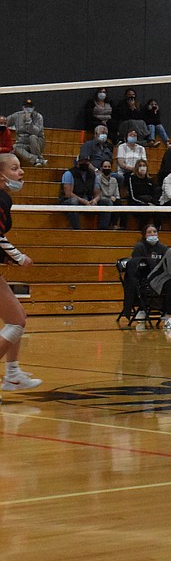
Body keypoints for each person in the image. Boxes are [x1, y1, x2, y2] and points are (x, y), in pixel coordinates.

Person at [0, 154, 43, 398]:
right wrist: (18, 257)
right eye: (15, 168)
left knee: (15, 319)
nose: (21, 173)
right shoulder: (1, 198)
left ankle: (13, 375)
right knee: (17, 321)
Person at [121, 224, 167, 321]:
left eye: (154, 232)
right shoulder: (140, 247)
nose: (152, 234)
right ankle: (142, 308)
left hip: (159, 277)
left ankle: (167, 310)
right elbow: (136, 266)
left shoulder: (163, 248)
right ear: (144, 235)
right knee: (143, 283)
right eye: (149, 232)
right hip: (143, 277)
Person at [60, 157, 106, 230]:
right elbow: (68, 194)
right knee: (73, 201)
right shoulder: (69, 173)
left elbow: (97, 193)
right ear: (77, 162)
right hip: (68, 201)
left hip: (87, 200)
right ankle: (76, 229)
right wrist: (84, 202)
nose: (84, 163)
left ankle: (103, 230)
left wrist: (95, 200)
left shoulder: (92, 175)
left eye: (86, 161)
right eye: (82, 161)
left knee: (106, 202)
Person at [7, 98, 47, 167]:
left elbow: (36, 132)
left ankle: (38, 157)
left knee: (33, 137)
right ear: (23, 108)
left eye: (30, 107)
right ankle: (36, 160)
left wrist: (28, 120)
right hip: (22, 144)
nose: (28, 109)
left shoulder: (38, 117)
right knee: (14, 147)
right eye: (26, 107)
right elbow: (5, 122)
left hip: (36, 143)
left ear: (33, 108)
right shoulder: (17, 115)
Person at [126, 159, 161, 229]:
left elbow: (155, 193)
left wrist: (153, 203)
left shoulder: (150, 180)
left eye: (144, 165)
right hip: (136, 203)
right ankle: (142, 231)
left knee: (159, 210)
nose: (142, 167)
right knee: (145, 211)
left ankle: (157, 230)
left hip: (149, 203)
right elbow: (133, 197)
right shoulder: (132, 178)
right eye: (140, 166)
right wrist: (145, 203)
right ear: (136, 168)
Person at [95, 158, 123, 230]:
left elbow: (117, 194)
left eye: (108, 167)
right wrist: (109, 198)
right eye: (105, 167)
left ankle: (115, 225)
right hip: (101, 200)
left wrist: (115, 198)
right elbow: (98, 194)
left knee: (119, 202)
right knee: (108, 202)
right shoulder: (97, 179)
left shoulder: (114, 180)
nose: (107, 168)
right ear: (101, 168)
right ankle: (104, 228)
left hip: (112, 199)